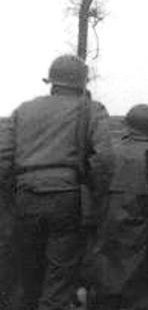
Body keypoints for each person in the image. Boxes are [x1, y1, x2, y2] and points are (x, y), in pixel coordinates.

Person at [0, 55, 113, 310]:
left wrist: (12, 197)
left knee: (28, 276)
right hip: (66, 197)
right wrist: (97, 195)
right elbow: (105, 158)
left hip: (25, 198)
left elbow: (3, 158)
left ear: (51, 82)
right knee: (59, 277)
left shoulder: (22, 110)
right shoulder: (91, 109)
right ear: (83, 84)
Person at [87, 104, 148, 309]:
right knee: (145, 294)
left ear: (127, 125)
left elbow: (93, 189)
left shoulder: (109, 154)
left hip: (109, 233)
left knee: (107, 288)